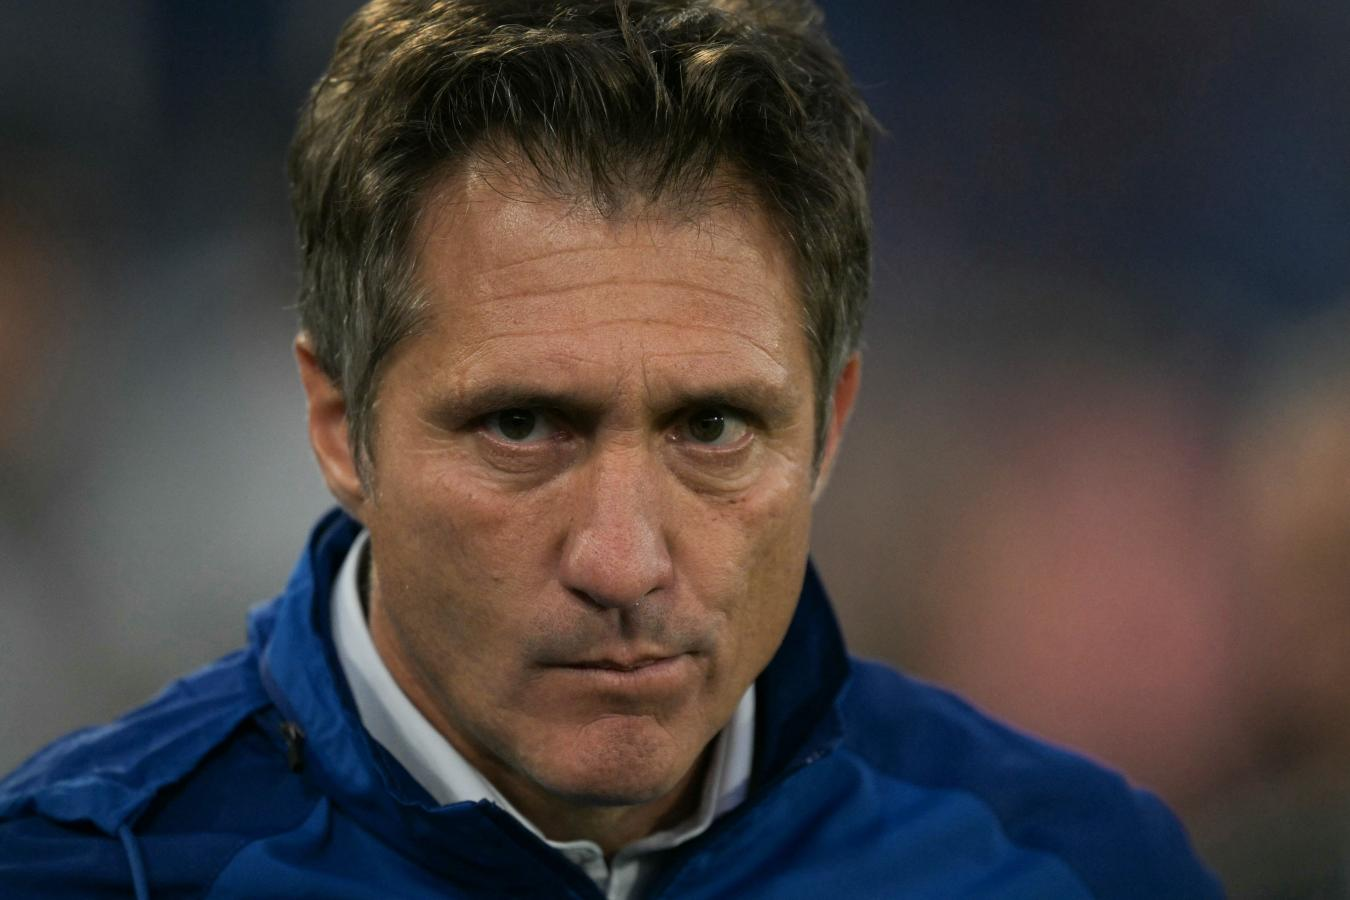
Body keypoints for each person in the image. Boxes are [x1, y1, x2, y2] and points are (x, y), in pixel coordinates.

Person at [0, 1, 1220, 896]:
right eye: (522, 426)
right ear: (339, 428)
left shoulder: (1078, 867)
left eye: (713, 428)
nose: (625, 562)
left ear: (831, 425)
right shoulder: (80, 873)